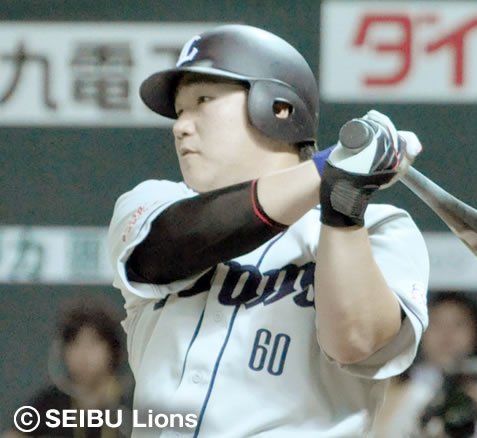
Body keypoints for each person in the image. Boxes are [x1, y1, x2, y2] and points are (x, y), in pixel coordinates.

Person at [107, 24, 429, 437]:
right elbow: (171, 246)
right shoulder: (154, 202)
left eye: (203, 101)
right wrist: (330, 168)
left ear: (278, 109)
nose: (180, 126)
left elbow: (357, 342)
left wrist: (344, 205)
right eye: (179, 111)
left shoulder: (381, 229)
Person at [377, 292, 477, 438]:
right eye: (437, 323)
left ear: (475, 332)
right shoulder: (400, 384)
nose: (446, 334)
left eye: (458, 324)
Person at [3, 298, 132, 438]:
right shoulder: (50, 402)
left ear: (112, 350)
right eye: (75, 343)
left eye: (93, 343)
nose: (84, 354)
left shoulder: (131, 400)